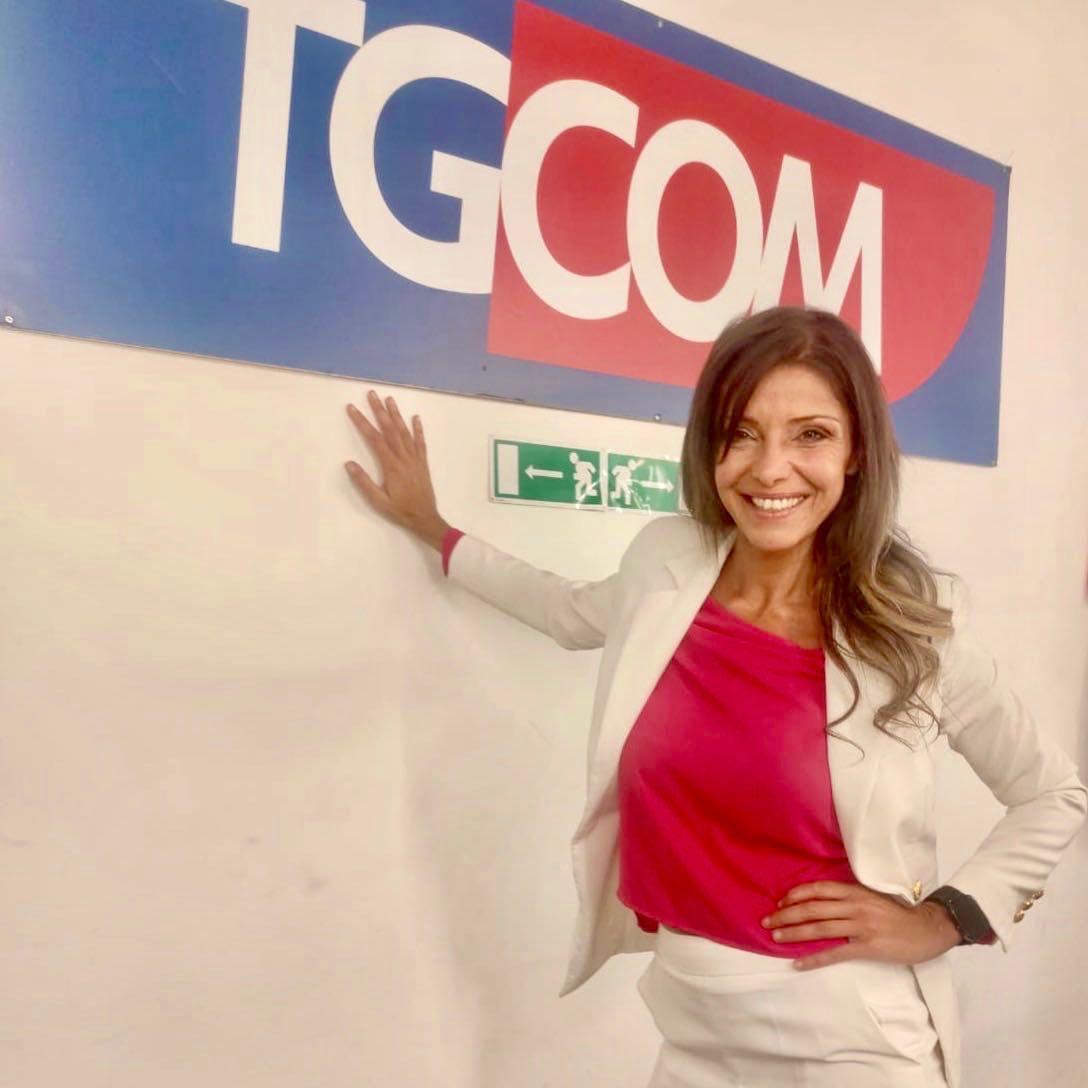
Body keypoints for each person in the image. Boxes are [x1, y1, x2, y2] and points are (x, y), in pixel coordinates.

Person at [343, 307, 1086, 1088]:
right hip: (689, 1026)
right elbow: (564, 610)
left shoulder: (909, 626)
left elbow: (1052, 792)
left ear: (857, 451)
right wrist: (435, 530)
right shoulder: (667, 562)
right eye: (741, 433)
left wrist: (945, 918)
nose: (770, 469)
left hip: (852, 1040)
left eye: (810, 434)